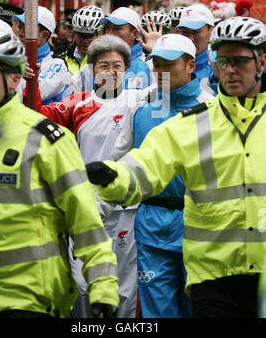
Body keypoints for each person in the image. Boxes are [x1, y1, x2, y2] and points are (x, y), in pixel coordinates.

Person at [85, 16, 266, 318]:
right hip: (193, 257)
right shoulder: (174, 115)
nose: (230, 70)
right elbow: (143, 164)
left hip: (246, 262)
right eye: (223, 61)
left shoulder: (197, 103)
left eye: (240, 61)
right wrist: (111, 180)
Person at [0, 27, 119, 318]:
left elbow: (85, 221)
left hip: (28, 301)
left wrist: (103, 287)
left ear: (14, 78)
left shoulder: (47, 140)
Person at [30, 35, 152, 318]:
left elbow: (169, 93)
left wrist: (155, 50)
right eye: (104, 66)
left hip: (124, 208)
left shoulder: (138, 99)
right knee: (84, 285)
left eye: (118, 66)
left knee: (123, 288)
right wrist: (31, 81)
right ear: (91, 70)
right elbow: (33, 115)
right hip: (85, 207)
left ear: (127, 69)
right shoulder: (77, 103)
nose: (111, 72)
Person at [111, 34, 212, 318]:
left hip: (199, 224)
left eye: (169, 64)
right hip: (152, 225)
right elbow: (121, 158)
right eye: (157, 64)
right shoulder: (140, 104)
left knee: (199, 308)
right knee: (157, 312)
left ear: (191, 65)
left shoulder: (211, 107)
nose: (160, 72)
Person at [13, 6, 70, 104]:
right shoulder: (13, 57)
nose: (21, 33)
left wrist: (15, 73)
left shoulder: (57, 65)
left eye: (27, 28)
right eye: (20, 26)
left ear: (44, 35)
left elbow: (34, 95)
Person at [100, 7, 151, 90]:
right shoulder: (97, 62)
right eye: (108, 28)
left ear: (134, 34)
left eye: (117, 28)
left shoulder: (149, 65)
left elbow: (163, 96)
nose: (110, 33)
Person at [175, 3, 215, 91]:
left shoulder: (218, 65)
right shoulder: (171, 61)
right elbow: (163, 98)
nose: (190, 39)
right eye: (185, 32)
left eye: (196, 32)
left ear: (211, 30)